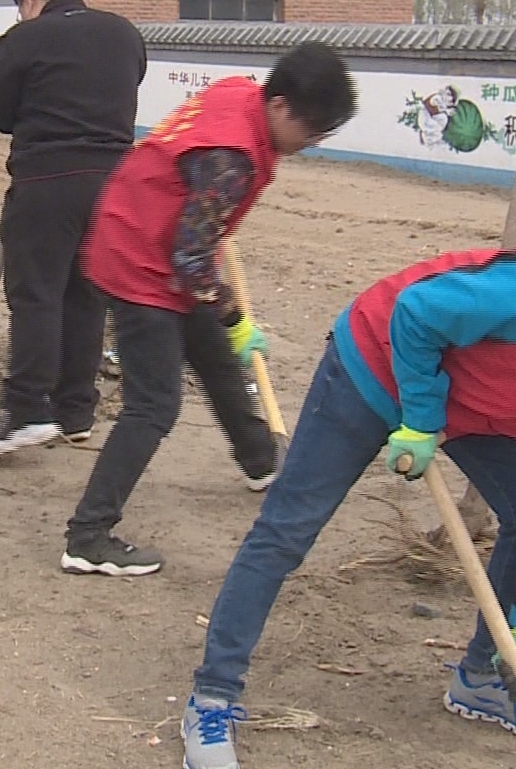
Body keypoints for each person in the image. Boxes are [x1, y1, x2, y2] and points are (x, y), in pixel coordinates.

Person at [178, 250, 516, 767]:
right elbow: (417, 311)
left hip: (472, 404)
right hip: (376, 364)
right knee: (288, 530)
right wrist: (421, 419)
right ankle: (213, 696)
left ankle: (481, 678)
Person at [63, 44, 357, 577]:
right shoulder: (233, 161)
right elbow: (192, 262)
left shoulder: (241, 95)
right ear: (282, 107)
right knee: (154, 406)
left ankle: (262, 461)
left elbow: (195, 233)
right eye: (310, 134)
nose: (308, 146)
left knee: (217, 360)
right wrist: (235, 317)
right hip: (138, 262)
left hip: (154, 240)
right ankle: (87, 535)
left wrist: (218, 300)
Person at [0, 0, 146, 455]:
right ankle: (76, 410)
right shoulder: (124, 33)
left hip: (48, 179)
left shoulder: (23, 38)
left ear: (27, 0)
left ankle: (27, 409)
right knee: (87, 295)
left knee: (36, 294)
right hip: (114, 183)